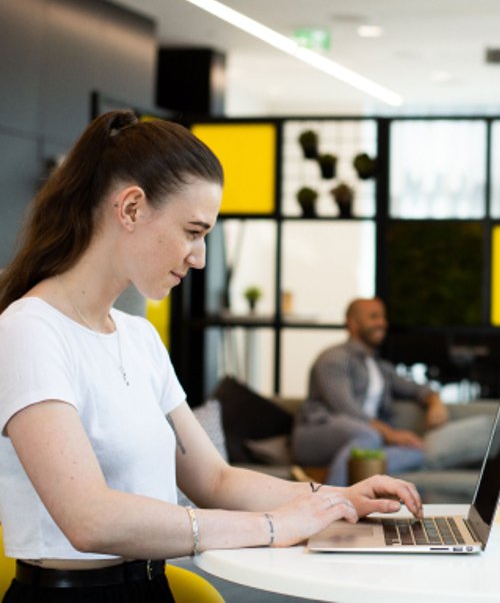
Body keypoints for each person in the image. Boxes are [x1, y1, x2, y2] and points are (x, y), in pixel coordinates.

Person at [0, 111, 422, 603]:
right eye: (192, 231)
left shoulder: (137, 337)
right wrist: (272, 526)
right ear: (132, 208)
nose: (199, 257)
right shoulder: (28, 331)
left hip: (151, 588)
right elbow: (89, 518)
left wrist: (336, 500)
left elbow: (214, 478)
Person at [293, 297, 488, 486]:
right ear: (352, 323)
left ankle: (341, 475)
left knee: (416, 452)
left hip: (364, 440)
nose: (382, 323)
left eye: (383, 317)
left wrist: (435, 401)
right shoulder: (333, 358)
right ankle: (331, 500)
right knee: (369, 437)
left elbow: (416, 388)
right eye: (374, 317)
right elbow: (345, 408)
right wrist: (390, 434)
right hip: (316, 433)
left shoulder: (381, 368)